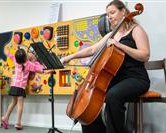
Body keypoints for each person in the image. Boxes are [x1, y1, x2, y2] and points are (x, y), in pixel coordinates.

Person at [61, 0, 150, 133]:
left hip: (136, 78)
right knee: (90, 101)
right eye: (108, 14)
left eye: (112, 12)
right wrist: (69, 57)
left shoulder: (136, 30)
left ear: (124, 12)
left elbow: (145, 55)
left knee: (112, 96)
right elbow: (92, 50)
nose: (109, 17)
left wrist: (120, 45)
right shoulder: (111, 35)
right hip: (117, 79)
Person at [2, 48, 53, 130]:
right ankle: (18, 123)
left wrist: (6, 51)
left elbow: (9, 54)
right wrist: (48, 71)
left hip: (14, 85)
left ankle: (5, 118)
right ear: (25, 57)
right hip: (20, 87)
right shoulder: (28, 64)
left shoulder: (15, 60)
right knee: (20, 106)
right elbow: (39, 69)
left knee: (13, 102)